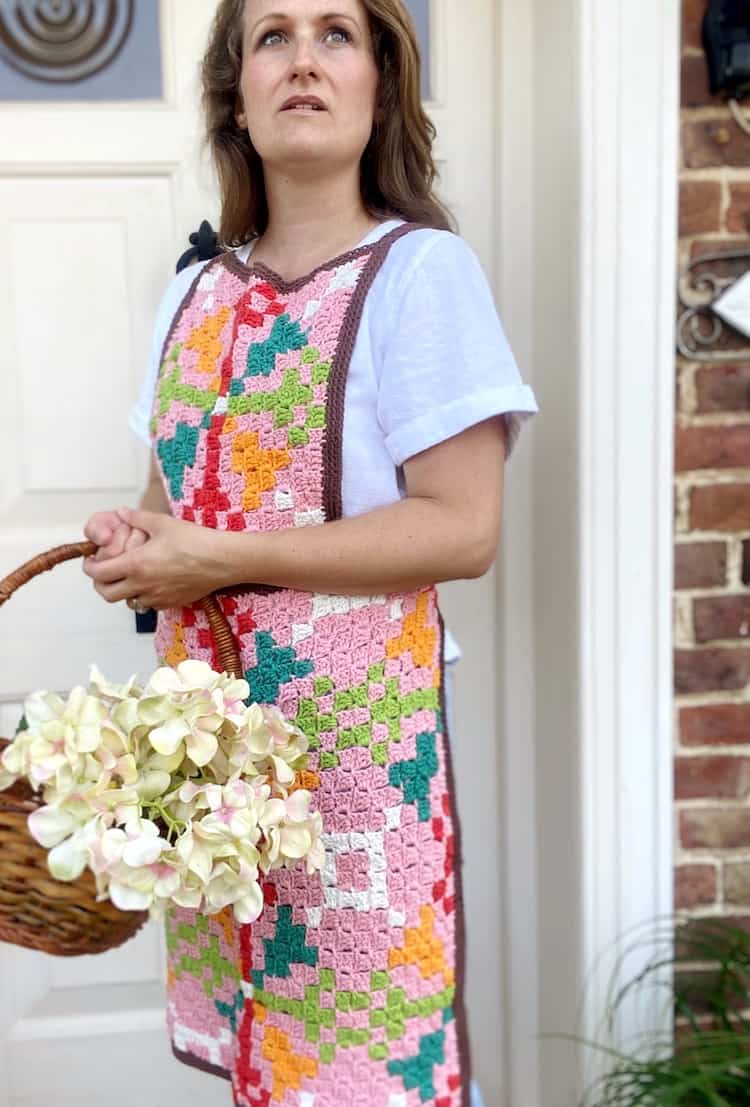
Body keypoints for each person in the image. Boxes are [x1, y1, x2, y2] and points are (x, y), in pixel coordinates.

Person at [83, 1, 538, 1104]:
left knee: (359, 1074)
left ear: (382, 81)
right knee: (258, 1067)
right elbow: (169, 504)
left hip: (353, 772)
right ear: (234, 95)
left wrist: (217, 561)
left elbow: (462, 525)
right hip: (210, 776)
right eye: (271, 37)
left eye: (338, 34)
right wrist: (135, 546)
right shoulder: (192, 295)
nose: (303, 61)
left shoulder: (422, 275)